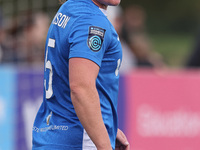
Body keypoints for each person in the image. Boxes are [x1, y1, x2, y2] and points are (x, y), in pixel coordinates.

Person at [32, 0, 130, 150]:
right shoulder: (91, 21)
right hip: (79, 141)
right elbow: (81, 89)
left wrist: (103, 129)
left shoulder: (70, 8)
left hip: (53, 137)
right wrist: (103, 145)